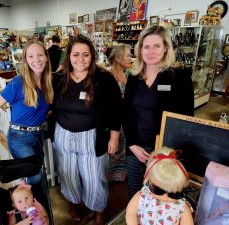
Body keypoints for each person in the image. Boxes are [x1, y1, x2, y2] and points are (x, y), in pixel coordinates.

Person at [51, 35, 122, 225]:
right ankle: (73, 203)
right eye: (76, 54)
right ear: (69, 56)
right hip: (63, 134)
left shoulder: (104, 78)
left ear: (92, 56)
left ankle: (98, 209)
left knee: (94, 177)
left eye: (85, 54)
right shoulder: (59, 78)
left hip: (92, 136)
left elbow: (116, 109)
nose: (80, 59)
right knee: (68, 175)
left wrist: (114, 138)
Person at [122, 25, 194, 199]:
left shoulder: (179, 76)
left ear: (165, 48)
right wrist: (132, 144)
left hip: (165, 150)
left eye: (157, 46)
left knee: (160, 196)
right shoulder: (134, 75)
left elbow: (186, 118)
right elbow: (127, 112)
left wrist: (168, 152)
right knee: (135, 193)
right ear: (140, 50)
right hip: (136, 147)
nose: (151, 51)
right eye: (146, 46)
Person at [0, 39, 54, 185]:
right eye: (31, 56)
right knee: (35, 174)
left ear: (46, 57)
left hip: (38, 135)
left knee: (36, 172)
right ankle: (30, 204)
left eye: (40, 55)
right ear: (25, 60)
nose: (36, 60)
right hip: (19, 138)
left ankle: (32, 203)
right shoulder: (19, 83)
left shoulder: (48, 82)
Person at [125, 147, 193, 225]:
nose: (165, 197)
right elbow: (130, 213)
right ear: (149, 181)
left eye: (175, 194)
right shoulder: (143, 196)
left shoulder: (182, 207)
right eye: (158, 190)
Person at [105, 44, 132, 182]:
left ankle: (121, 176)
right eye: (128, 55)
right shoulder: (107, 76)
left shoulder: (128, 74)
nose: (131, 58)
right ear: (118, 58)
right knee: (113, 150)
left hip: (125, 120)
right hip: (113, 122)